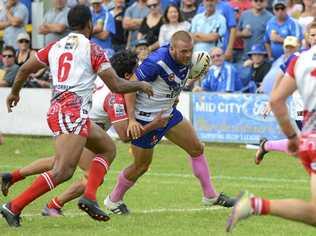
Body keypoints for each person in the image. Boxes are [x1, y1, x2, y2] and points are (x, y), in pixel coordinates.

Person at [0, 5, 153, 227]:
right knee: (63, 170)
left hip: (67, 112)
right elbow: (117, 85)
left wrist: (14, 93)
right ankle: (14, 206)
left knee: (108, 148)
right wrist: (141, 85)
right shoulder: (93, 49)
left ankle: (89, 197)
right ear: (89, 24)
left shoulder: (54, 46)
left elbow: (24, 70)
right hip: (70, 113)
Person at [104, 31, 236, 215]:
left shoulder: (188, 60)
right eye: (183, 52)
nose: (188, 55)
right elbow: (130, 87)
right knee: (141, 166)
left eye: (190, 50)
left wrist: (180, 90)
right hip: (146, 119)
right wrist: (132, 119)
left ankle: (210, 196)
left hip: (168, 114)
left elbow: (174, 82)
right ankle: (113, 200)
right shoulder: (155, 62)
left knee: (197, 148)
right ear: (172, 48)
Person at [226, 28, 316, 234]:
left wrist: (293, 138)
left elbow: (275, 100)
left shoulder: (300, 59)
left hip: (310, 141)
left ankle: (254, 205)